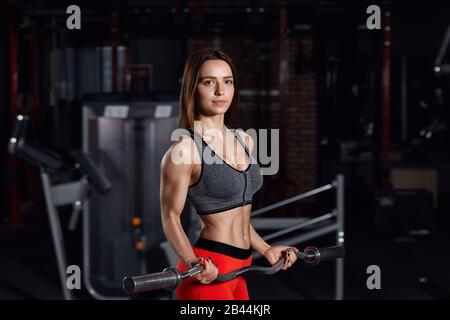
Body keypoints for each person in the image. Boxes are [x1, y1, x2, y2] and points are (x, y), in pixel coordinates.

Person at [160, 48, 298, 300]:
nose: (220, 91)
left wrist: (266, 249)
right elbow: (170, 216)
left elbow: (238, 215)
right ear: (193, 88)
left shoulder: (244, 140)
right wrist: (193, 262)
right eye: (209, 82)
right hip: (209, 270)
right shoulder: (185, 148)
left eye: (228, 81)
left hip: (241, 267)